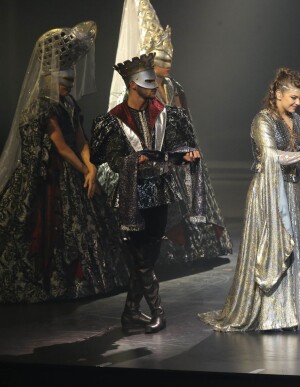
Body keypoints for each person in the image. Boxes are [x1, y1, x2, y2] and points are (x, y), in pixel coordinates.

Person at [0, 21, 129, 303]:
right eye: (62, 83)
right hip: (49, 174)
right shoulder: (43, 106)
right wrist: (86, 170)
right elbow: (60, 147)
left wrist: (91, 166)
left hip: (75, 168)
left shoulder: (69, 103)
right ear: (49, 80)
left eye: (70, 83)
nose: (67, 88)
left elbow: (81, 141)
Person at [198, 68, 300, 332]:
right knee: (273, 248)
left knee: (296, 249)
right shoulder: (263, 120)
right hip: (269, 193)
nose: (297, 103)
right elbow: (272, 156)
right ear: (279, 94)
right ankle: (274, 316)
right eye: (293, 97)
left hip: (292, 193)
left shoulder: (299, 123)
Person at [99, 0, 232, 264]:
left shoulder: (173, 86)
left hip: (175, 147)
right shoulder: (142, 90)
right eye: (162, 59)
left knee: (190, 182)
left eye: (170, 58)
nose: (167, 63)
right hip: (153, 151)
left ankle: (182, 248)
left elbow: (183, 118)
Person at [90, 53, 204, 334]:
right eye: (147, 81)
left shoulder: (164, 114)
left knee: (148, 258)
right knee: (141, 259)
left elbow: (175, 148)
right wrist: (134, 161)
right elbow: (114, 160)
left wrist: (185, 156)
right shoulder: (115, 120)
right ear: (132, 85)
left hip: (160, 193)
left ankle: (130, 312)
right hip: (132, 195)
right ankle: (158, 313)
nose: (153, 86)